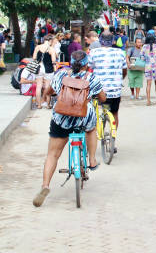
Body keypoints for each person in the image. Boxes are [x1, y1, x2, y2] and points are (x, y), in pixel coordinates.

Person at [32, 50, 106, 207]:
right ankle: (92, 160)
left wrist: (48, 96)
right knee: (91, 129)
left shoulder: (60, 75)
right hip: (83, 118)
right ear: (86, 64)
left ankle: (45, 186)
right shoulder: (91, 78)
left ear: (71, 63)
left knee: (53, 154)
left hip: (62, 119)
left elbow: (48, 91)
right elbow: (103, 97)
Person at [90, 31, 127, 131]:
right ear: (113, 41)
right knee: (114, 112)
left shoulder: (94, 52)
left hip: (99, 91)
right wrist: (119, 80)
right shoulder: (120, 53)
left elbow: (89, 69)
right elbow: (124, 71)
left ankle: (100, 131)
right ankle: (113, 136)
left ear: (100, 41)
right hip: (115, 91)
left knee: (96, 110)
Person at [32, 35, 57, 108]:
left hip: (39, 68)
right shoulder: (51, 49)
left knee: (38, 86)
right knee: (47, 86)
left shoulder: (38, 47)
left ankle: (39, 105)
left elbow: (34, 57)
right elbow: (53, 60)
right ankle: (48, 105)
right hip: (48, 69)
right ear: (50, 41)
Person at [141, 33, 156, 105]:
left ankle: (148, 101)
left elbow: (141, 57)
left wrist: (147, 59)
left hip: (148, 66)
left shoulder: (144, 46)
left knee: (148, 84)